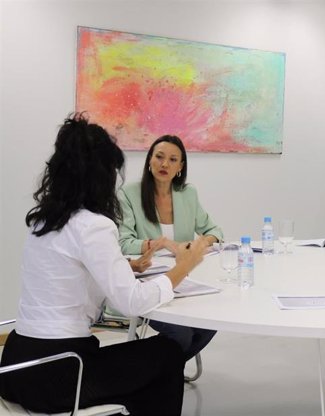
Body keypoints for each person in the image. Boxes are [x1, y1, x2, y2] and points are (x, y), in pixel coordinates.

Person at [0, 114, 206, 415]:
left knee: (143, 367)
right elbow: (132, 302)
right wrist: (182, 267)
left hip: (17, 363)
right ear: (100, 177)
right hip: (60, 372)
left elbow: (69, 270)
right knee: (167, 353)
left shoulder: (44, 220)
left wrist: (126, 266)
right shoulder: (94, 225)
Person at [118, 135, 222, 362]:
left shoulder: (188, 194)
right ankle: (160, 372)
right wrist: (159, 243)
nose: (165, 164)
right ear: (149, 160)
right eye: (159, 157)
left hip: (184, 283)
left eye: (173, 159)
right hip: (147, 282)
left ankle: (164, 371)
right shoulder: (129, 193)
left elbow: (214, 230)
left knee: (213, 321)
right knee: (181, 334)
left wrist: (203, 242)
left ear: (180, 167)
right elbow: (124, 242)